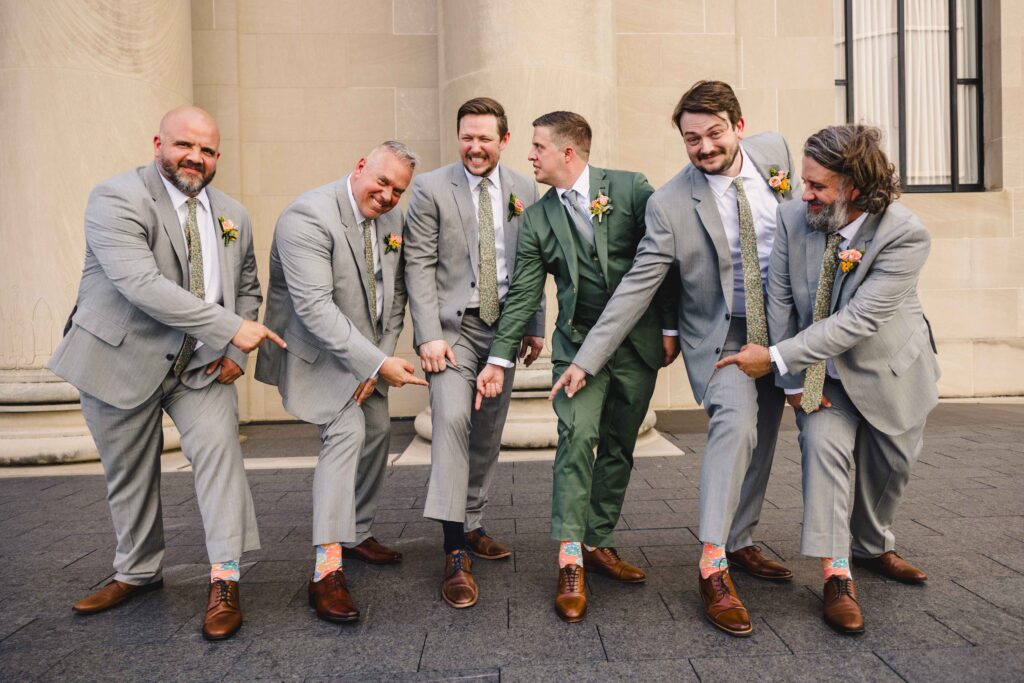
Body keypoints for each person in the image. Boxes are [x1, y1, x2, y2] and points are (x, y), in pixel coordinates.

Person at [554, 81, 799, 637]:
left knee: (765, 434)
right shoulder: (668, 204)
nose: (705, 147)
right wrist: (586, 360)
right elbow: (636, 287)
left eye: (714, 133)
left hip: (780, 329)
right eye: (692, 139)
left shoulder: (776, 154)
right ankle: (712, 566)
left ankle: (740, 542)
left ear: (740, 125)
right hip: (720, 337)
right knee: (734, 428)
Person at [48, 106, 285, 641]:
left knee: (220, 455)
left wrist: (235, 349)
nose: (194, 158)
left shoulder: (233, 214)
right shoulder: (116, 198)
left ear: (217, 156)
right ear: (158, 142)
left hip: (200, 365)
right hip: (119, 355)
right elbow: (141, 284)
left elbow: (247, 286)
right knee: (129, 473)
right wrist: (230, 327)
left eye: (206, 150)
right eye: (184, 145)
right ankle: (137, 571)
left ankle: (225, 577)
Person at [717, 124, 938, 634]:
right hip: (821, 374)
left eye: (818, 186)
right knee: (823, 454)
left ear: (854, 188)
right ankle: (837, 575)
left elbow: (859, 320)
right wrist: (793, 378)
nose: (805, 194)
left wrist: (771, 357)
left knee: (890, 470)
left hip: (892, 368)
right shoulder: (794, 217)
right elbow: (779, 299)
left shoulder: (905, 234)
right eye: (805, 182)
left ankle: (872, 545)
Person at [476, 111, 676, 622]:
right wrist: (499, 358)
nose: (530, 156)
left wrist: (671, 328)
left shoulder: (631, 190)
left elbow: (666, 261)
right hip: (575, 347)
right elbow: (523, 293)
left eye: (538, 147)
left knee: (619, 445)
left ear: (568, 152)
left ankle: (598, 541)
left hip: (637, 346)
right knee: (576, 438)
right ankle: (569, 558)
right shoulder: (538, 217)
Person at [255, 142, 427, 623]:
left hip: (366, 355)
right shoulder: (306, 217)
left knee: (376, 433)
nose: (389, 195)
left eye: (399, 190)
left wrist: (380, 358)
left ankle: (355, 532)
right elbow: (313, 309)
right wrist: (375, 365)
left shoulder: (391, 222)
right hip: (316, 352)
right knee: (347, 434)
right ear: (359, 167)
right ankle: (326, 571)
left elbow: (395, 298)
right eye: (382, 182)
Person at [404, 98, 544, 608]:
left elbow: (532, 264)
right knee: (454, 420)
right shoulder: (430, 188)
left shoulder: (526, 190)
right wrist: (427, 335)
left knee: (488, 429)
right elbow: (416, 264)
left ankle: (473, 519)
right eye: (467, 136)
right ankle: (453, 548)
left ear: (503, 141)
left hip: (503, 328)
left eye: (485, 138)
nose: (475, 146)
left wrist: (533, 325)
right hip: (453, 329)